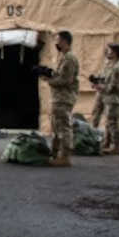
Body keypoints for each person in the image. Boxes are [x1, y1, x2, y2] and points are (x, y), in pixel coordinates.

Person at [39, 30, 80, 167]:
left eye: (58, 40)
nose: (56, 43)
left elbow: (65, 80)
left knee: (63, 126)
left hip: (64, 97)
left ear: (64, 41)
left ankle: (65, 156)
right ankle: (56, 152)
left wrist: (49, 80)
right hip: (58, 97)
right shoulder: (63, 57)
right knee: (57, 126)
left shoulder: (69, 58)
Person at [98, 43, 119, 154]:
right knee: (109, 122)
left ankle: (116, 146)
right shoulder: (112, 65)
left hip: (115, 100)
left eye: (110, 51)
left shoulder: (118, 68)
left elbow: (115, 87)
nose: (107, 52)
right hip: (110, 99)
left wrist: (101, 87)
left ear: (115, 53)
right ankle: (107, 143)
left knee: (114, 123)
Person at [86, 43, 114, 130]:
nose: (107, 52)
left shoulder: (116, 66)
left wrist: (103, 86)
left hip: (108, 94)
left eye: (108, 50)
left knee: (109, 116)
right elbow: (101, 75)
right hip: (100, 94)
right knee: (96, 113)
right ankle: (93, 132)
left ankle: (109, 136)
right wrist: (95, 83)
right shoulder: (105, 64)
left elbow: (113, 82)